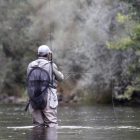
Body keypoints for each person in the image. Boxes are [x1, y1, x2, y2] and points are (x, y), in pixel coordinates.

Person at [27, 45, 64, 127]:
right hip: (48, 95)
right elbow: (61, 78)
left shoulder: (31, 65)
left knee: (38, 124)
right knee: (51, 123)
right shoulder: (51, 64)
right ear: (48, 55)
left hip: (33, 95)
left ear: (38, 54)